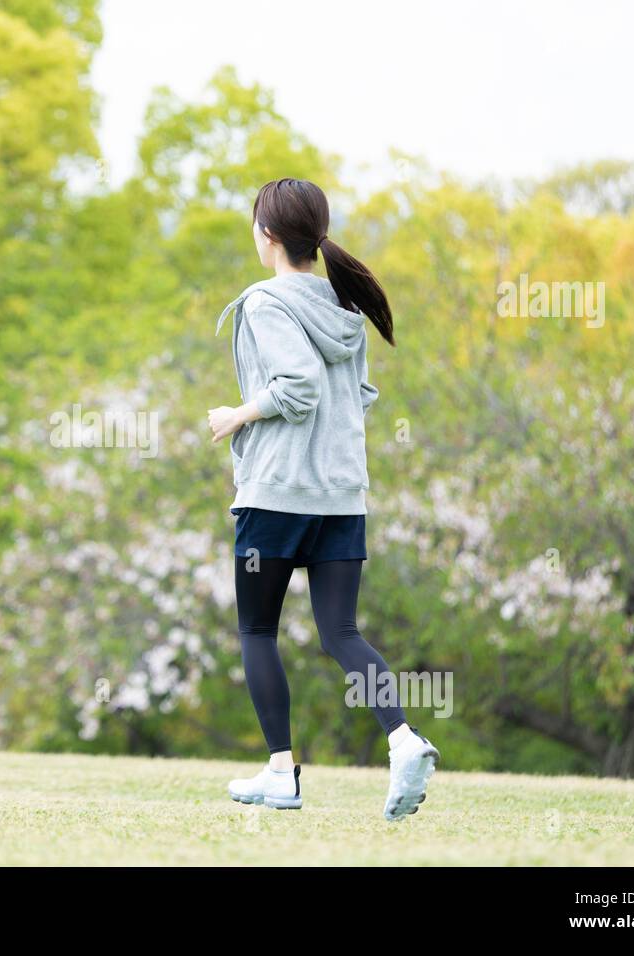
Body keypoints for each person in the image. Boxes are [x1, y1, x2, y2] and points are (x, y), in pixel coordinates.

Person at [207, 177, 438, 819]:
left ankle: (282, 772)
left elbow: (299, 386)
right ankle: (402, 739)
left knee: (257, 629)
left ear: (269, 235)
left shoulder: (265, 303)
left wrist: (237, 415)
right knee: (341, 632)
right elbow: (356, 397)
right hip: (340, 496)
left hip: (276, 495)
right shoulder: (343, 305)